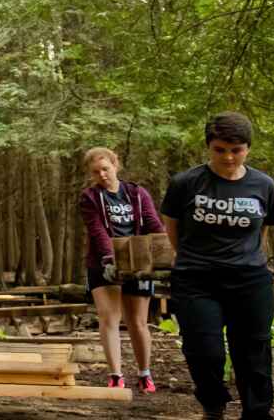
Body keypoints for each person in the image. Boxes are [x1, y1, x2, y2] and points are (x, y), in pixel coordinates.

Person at [160, 112, 274, 420]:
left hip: (250, 280)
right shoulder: (185, 183)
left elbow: (261, 231)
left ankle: (257, 412)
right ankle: (213, 406)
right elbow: (173, 228)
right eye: (220, 149)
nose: (228, 157)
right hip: (197, 279)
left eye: (236, 150)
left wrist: (248, 258)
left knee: (253, 352)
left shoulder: (264, 184)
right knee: (204, 350)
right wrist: (191, 258)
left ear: (248, 148)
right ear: (209, 147)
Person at [77, 147, 162, 393]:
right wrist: (107, 258)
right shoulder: (90, 197)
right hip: (103, 263)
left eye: (105, 168)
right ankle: (115, 374)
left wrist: (166, 247)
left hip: (138, 263)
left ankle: (145, 373)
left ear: (115, 165)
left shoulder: (137, 193)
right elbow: (98, 230)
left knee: (138, 321)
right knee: (109, 317)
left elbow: (152, 222)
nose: (102, 175)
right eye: (96, 172)